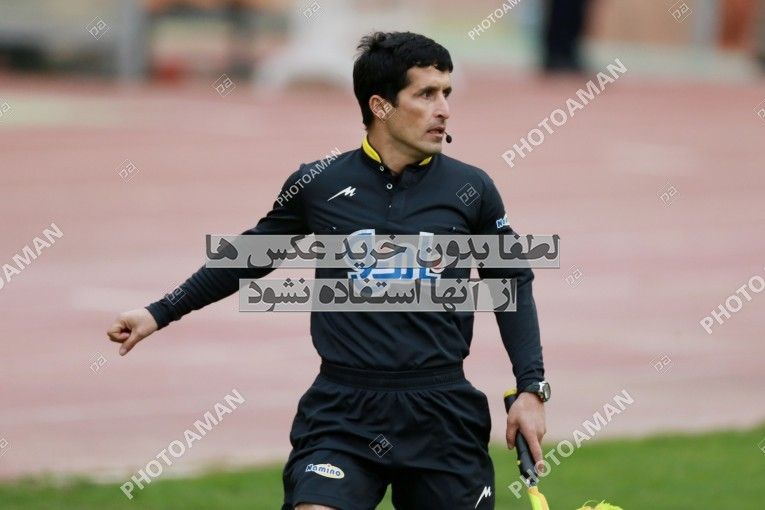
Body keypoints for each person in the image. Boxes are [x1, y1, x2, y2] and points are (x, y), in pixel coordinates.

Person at [106, 31, 548, 510]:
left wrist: (531, 388)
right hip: (344, 411)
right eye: (426, 94)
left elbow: (511, 281)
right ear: (380, 106)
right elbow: (251, 255)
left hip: (441, 412)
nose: (444, 109)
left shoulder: (472, 189)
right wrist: (159, 312)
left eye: (446, 93)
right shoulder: (319, 184)